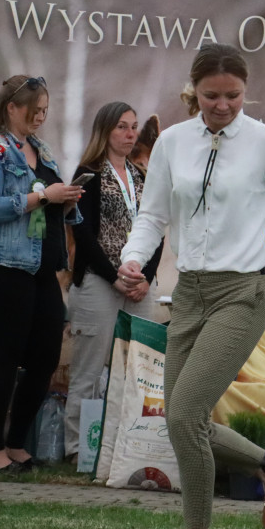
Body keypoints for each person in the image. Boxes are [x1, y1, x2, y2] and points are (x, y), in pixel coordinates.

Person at [118, 43, 265, 529]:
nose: (223, 105)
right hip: (188, 292)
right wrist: (132, 259)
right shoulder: (170, 143)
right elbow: (152, 216)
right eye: (212, 95)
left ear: (245, 91)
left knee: (187, 412)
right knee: (182, 420)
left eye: (233, 95)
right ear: (195, 92)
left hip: (244, 291)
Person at [0, 75, 83, 473]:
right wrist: (41, 197)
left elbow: (47, 202)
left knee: (46, 354)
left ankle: (17, 442)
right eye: (35, 111)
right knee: (7, 353)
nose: (40, 118)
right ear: (11, 107)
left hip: (40, 264)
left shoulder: (41, 149)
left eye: (45, 112)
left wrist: (65, 200)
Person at [64, 102, 164, 463]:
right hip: (98, 284)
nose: (130, 134)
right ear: (105, 131)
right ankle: (78, 450)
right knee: (89, 372)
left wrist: (146, 280)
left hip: (137, 288)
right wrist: (115, 277)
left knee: (138, 371)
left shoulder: (142, 178)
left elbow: (157, 231)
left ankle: (125, 447)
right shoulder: (88, 174)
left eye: (134, 127)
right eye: (122, 127)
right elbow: (83, 234)